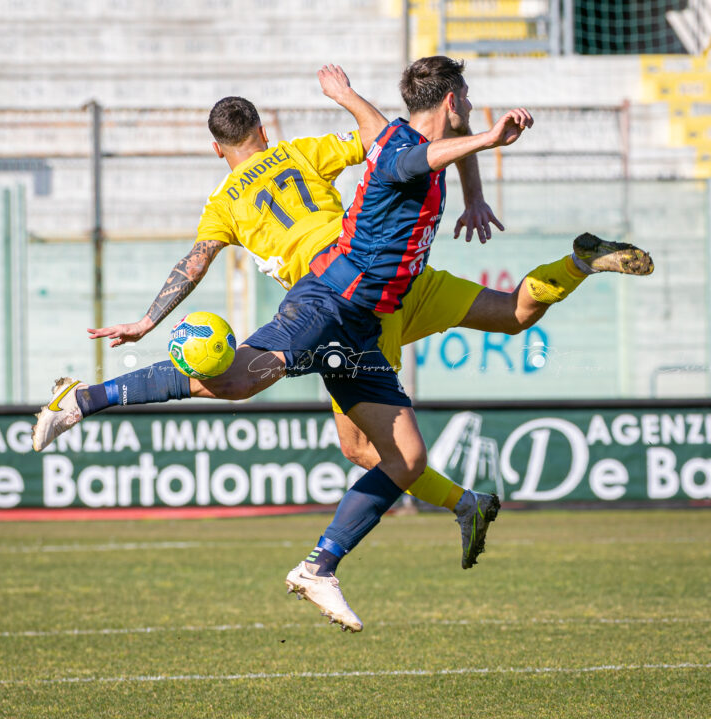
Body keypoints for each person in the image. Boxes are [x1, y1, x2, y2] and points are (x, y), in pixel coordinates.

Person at [33, 59, 652, 631]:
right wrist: (459, 143)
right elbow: (388, 147)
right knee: (331, 409)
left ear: (216, 147)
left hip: (362, 299)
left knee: (366, 445)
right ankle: (82, 401)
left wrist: (147, 320)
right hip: (346, 295)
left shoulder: (225, 202)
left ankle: (329, 560)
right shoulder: (304, 152)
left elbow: (197, 262)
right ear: (265, 132)